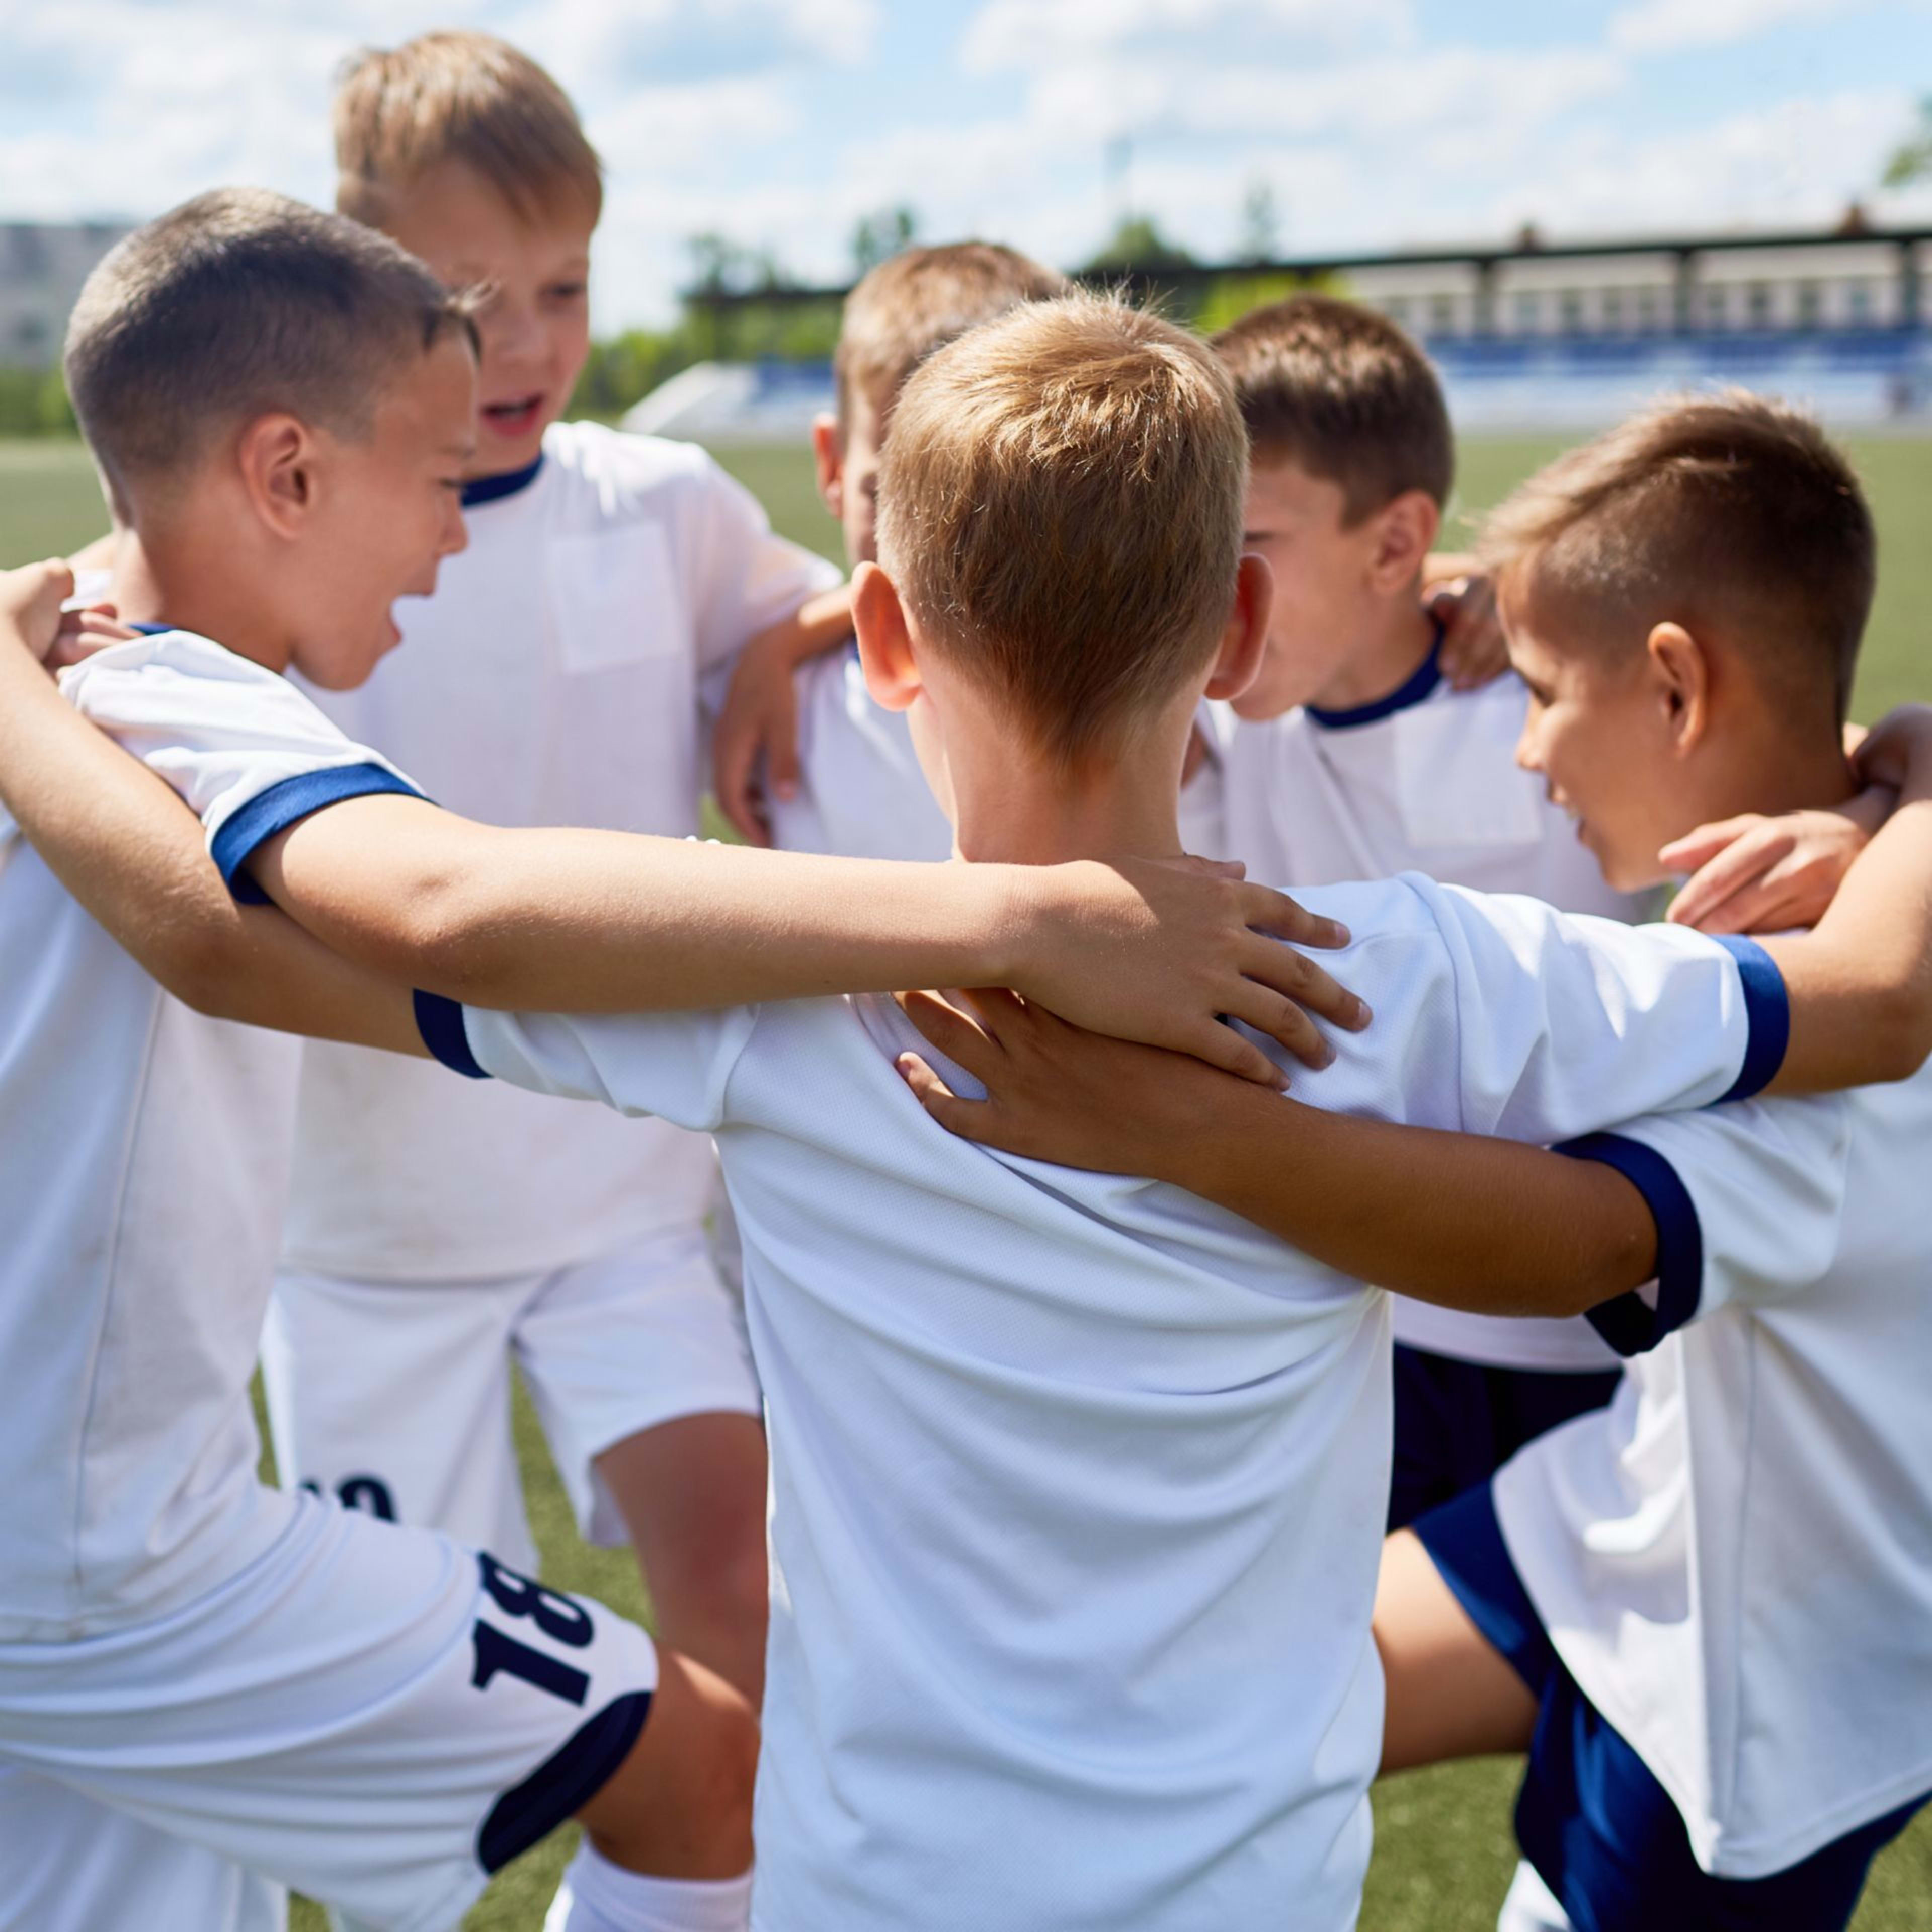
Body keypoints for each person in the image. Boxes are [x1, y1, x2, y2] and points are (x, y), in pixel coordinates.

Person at [79, 296, 1925, 1931]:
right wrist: (1906, 771)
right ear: (1237, 630)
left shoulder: (764, 1001)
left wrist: (39, 686)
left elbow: (226, 945)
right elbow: (1875, 1002)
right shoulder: (1421, 982)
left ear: (881, 633)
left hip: (872, 1892)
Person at [0, 199, 1349, 1932]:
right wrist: (1009, 919)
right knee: (700, 1769)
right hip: (106, 1560)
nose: (452, 533)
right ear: (283, 475)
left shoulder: (86, 694)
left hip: (80, 1538)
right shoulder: (158, 702)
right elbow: (438, 901)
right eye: (436, 470)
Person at [891, 393, 1932, 1932]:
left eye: (1543, 691)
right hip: (1628, 1507)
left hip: (1762, 1664)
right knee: (1198, 1705)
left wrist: (1186, 1131)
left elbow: (1581, 1246)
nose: (1521, 748)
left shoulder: (1828, 1000)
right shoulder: (1830, 860)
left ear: (1672, 685)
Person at [251, 31, 858, 1703]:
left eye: (567, 288)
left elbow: (847, 619)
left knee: (735, 1588)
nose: (523, 343)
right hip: (364, 1229)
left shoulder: (661, 502)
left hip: (629, 1191)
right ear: (352, 276)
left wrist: (777, 635)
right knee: (391, 1683)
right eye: (467, 295)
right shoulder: (297, 517)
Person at [1208, 295, 1891, 1525]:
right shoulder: (1203, 721)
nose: (1215, 588)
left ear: (1395, 544)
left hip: (1611, 1334)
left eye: (1245, 538)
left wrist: (1892, 800)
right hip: (1365, 1319)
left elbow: (1781, 744)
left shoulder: (1541, 686)